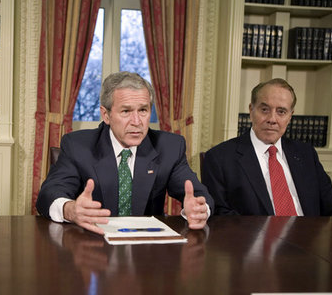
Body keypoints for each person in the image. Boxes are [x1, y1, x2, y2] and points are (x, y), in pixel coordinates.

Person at [36, 71, 214, 234]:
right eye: (126, 111)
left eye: (143, 110)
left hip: (146, 249)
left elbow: (199, 195)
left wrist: (200, 209)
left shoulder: (169, 146)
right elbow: (49, 194)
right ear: (106, 115)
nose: (136, 121)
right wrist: (70, 209)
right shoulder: (78, 146)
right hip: (92, 245)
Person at [202, 78, 332, 216]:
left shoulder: (306, 153)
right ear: (251, 111)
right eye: (264, 110)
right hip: (255, 240)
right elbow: (220, 217)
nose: (272, 119)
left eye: (281, 112)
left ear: (290, 117)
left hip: (308, 238)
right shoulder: (219, 158)